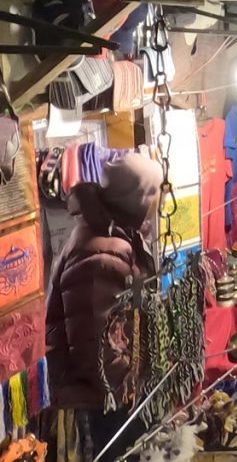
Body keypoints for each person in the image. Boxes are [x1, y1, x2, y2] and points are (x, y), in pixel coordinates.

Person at [46, 154, 163, 456]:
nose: (161, 200)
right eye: (158, 191)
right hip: (101, 403)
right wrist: (131, 390)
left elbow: (130, 313)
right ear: (140, 198)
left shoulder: (119, 235)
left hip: (117, 394)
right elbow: (94, 348)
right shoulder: (100, 252)